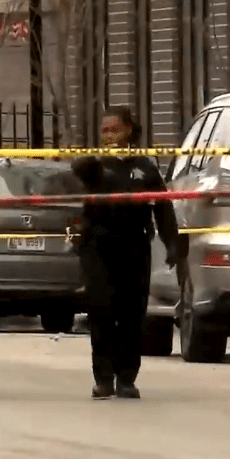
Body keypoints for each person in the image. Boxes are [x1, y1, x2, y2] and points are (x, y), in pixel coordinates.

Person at [70, 106, 178, 400]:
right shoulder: (96, 164)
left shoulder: (145, 167)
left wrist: (172, 243)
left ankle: (126, 378)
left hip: (135, 246)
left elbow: (163, 207)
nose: (109, 136)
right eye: (105, 131)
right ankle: (103, 378)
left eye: (115, 130)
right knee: (102, 311)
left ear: (129, 130)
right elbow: (79, 170)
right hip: (99, 247)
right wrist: (89, 158)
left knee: (132, 315)